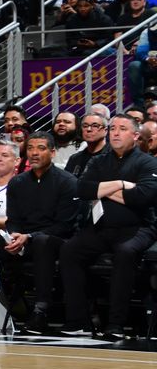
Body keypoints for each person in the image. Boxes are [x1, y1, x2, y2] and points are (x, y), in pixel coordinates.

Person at [0, 132, 78, 334]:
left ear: (52, 152)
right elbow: (13, 220)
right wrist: (14, 235)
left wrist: (29, 237)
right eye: (30, 148)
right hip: (22, 239)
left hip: (55, 241)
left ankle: (40, 311)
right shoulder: (18, 182)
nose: (34, 153)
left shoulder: (67, 181)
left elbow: (64, 225)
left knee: (42, 241)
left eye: (40, 148)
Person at [60, 115, 157, 339]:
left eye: (122, 129)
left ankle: (116, 324)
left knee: (125, 252)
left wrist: (102, 190)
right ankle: (79, 320)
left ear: (134, 135)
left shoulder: (148, 162)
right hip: (102, 227)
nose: (115, 133)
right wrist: (121, 185)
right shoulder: (98, 161)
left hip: (138, 227)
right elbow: (82, 189)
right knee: (69, 250)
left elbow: (142, 197)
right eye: (112, 128)